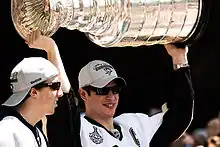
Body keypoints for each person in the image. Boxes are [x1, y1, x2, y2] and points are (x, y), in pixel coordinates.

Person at [76, 43, 195, 147]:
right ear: (83, 94)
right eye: (103, 90)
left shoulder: (133, 123)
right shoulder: (79, 130)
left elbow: (180, 115)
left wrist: (179, 57)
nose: (111, 96)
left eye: (116, 89)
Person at [0, 31, 71, 146]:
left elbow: (70, 107)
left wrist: (51, 48)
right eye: (55, 86)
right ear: (34, 92)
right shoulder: (7, 132)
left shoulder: (37, 132)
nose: (60, 93)